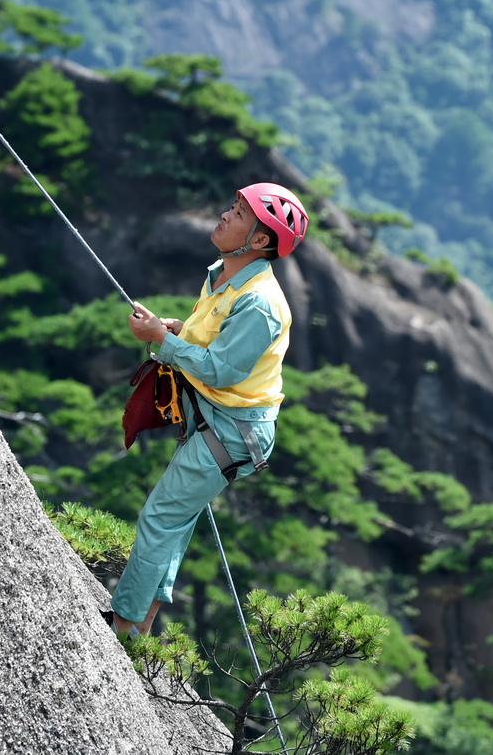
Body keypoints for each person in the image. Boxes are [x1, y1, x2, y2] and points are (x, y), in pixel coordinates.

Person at [104, 182, 309, 640]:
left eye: (238, 213)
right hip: (220, 418)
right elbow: (213, 338)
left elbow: (220, 370)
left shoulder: (260, 303)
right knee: (174, 522)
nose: (224, 215)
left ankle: (119, 627)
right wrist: (175, 329)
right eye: (232, 207)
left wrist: (162, 339)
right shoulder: (223, 274)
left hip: (234, 430)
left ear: (259, 241)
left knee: (160, 517)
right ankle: (139, 628)